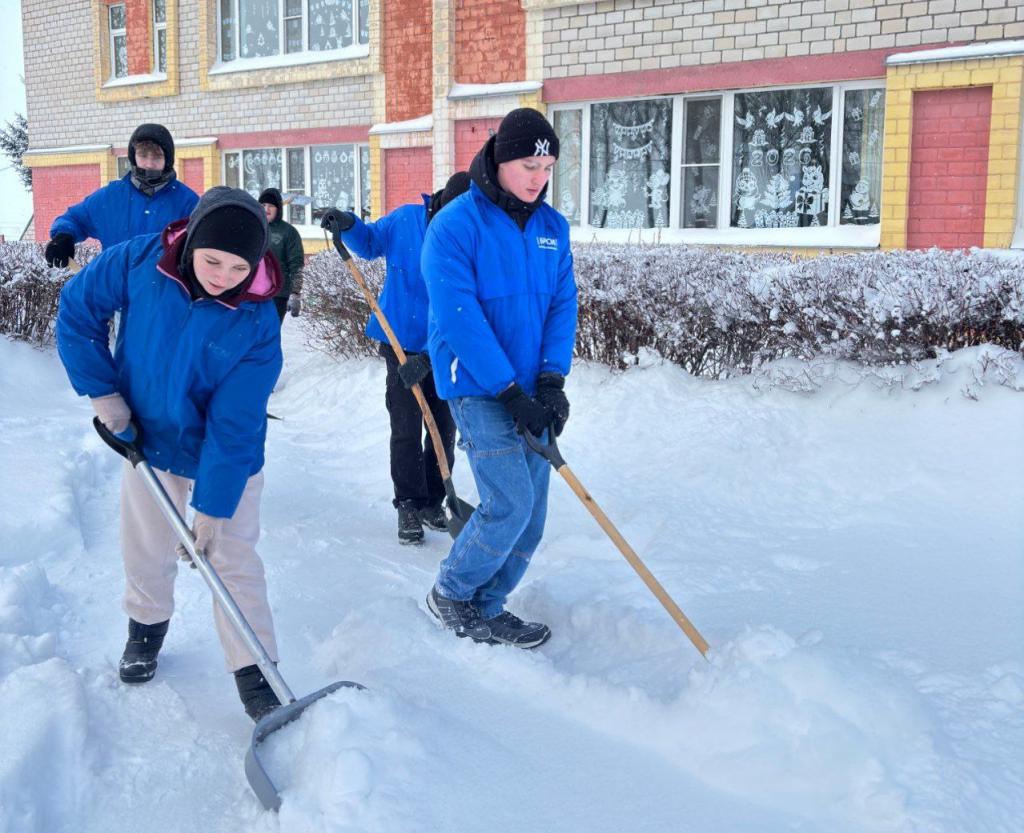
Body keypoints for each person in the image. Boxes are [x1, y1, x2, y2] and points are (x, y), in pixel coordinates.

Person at [55, 186, 286, 722]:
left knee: (231, 557)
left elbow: (236, 422)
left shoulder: (257, 319)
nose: (224, 276)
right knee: (146, 545)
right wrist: (103, 393)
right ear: (193, 242)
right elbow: (78, 310)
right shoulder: (139, 260)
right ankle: (146, 628)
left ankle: (258, 674)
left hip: (224, 453)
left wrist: (214, 506)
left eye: (239, 267)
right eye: (213, 261)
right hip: (149, 438)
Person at [419, 108, 576, 649]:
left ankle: (487, 605)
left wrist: (551, 380)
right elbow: (459, 317)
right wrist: (507, 390)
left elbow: (562, 305)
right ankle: (451, 592)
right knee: (509, 501)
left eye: (547, 167)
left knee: (531, 515)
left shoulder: (552, 228)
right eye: (529, 165)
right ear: (501, 160)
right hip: (476, 384)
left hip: (532, 385)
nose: (538, 178)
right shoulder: (455, 226)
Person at [320, 173, 471, 545]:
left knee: (443, 426)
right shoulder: (406, 220)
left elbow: (466, 307)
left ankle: (433, 503)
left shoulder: (468, 237)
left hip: (442, 348)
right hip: (399, 341)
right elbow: (371, 243)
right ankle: (408, 504)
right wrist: (348, 223)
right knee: (406, 426)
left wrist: (432, 360)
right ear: (441, 204)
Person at [45, 123, 199, 267]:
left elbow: (204, 246)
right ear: (133, 157)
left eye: (157, 156)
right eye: (143, 155)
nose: (149, 164)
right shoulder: (110, 198)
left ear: (168, 159)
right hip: (114, 285)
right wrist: (63, 237)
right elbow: (75, 219)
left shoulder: (187, 203)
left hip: (164, 286)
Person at [258, 188, 305, 322]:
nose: (266, 209)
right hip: (253, 291)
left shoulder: (288, 232)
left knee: (269, 331)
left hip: (278, 293)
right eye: (263, 205)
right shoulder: (253, 228)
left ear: (278, 209)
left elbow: (296, 264)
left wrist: (295, 293)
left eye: (271, 206)